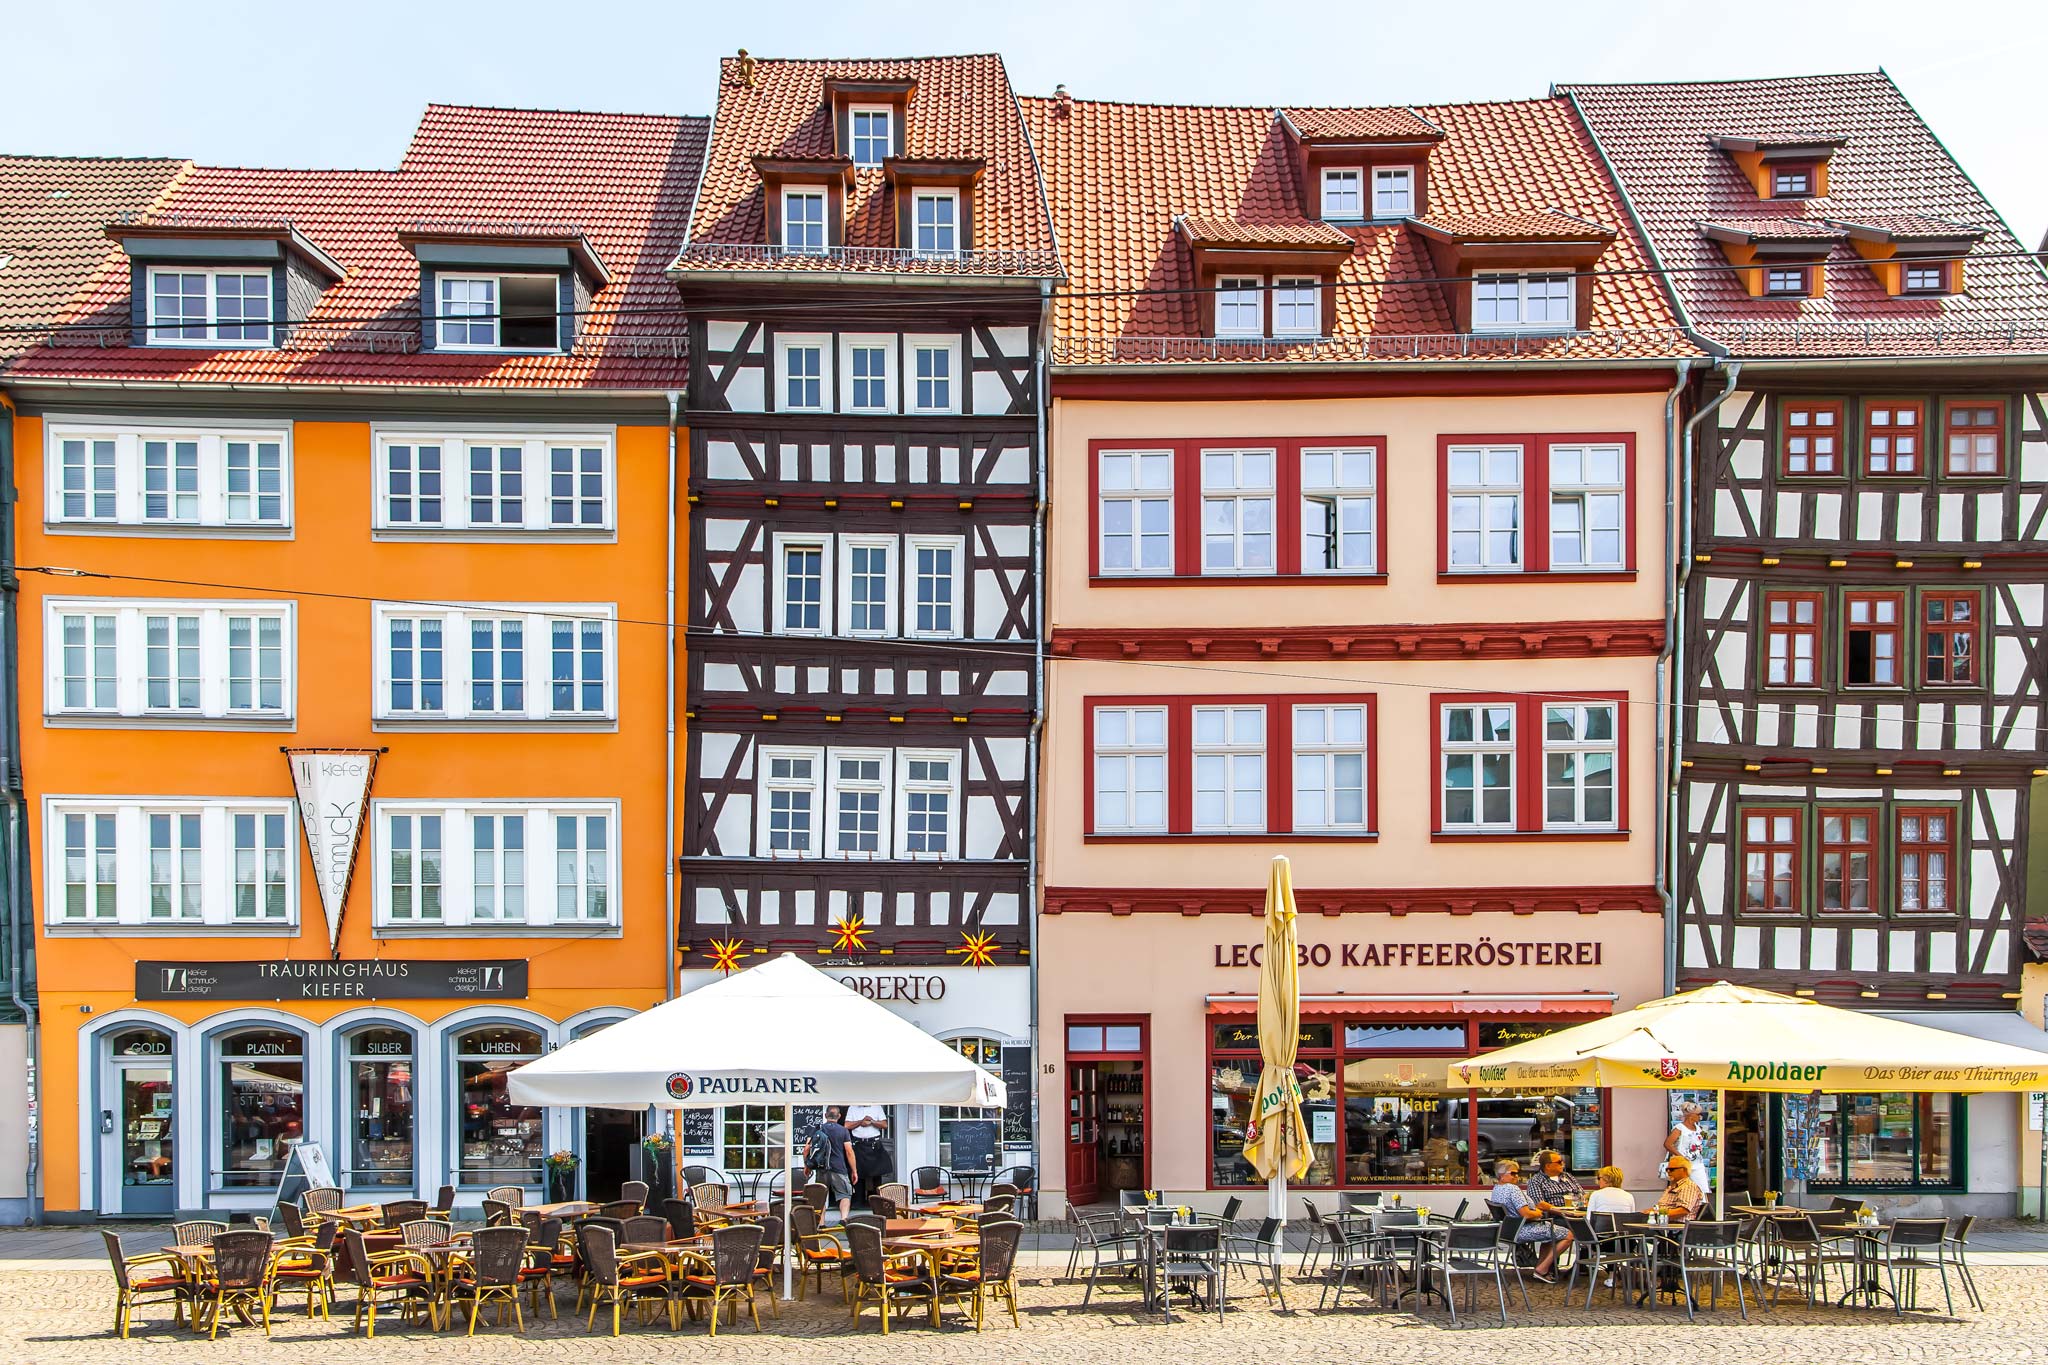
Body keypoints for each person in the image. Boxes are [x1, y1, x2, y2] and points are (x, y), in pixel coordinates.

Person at [1487, 1159, 1572, 1283]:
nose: (1517, 1176)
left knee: (1550, 1232)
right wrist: (1538, 1212)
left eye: (1517, 1173)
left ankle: (1542, 1266)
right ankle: (1541, 1269)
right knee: (1569, 1235)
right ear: (1501, 1175)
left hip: (1508, 1231)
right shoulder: (1512, 1189)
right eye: (1513, 1174)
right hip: (1522, 1229)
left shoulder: (1497, 1189)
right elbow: (1526, 1214)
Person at [807, 1106, 857, 1223]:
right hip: (839, 1167)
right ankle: (843, 1219)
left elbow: (806, 1148)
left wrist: (807, 1166)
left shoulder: (817, 1129)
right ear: (839, 1116)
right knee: (845, 1194)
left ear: (825, 1115)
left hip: (821, 1168)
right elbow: (849, 1151)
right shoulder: (843, 1130)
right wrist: (854, 1170)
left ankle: (822, 1223)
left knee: (821, 1197)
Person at [845, 1104, 894, 1205]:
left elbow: (885, 1125)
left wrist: (872, 1121)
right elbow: (847, 1125)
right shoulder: (852, 1107)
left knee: (877, 1174)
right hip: (858, 1144)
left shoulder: (877, 1107)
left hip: (874, 1144)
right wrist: (860, 1122)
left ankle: (876, 1202)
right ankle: (858, 1202)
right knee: (857, 1174)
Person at [1664, 1102, 1712, 1196]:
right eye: (1698, 1114)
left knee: (1703, 1190)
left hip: (1697, 1164)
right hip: (1683, 1165)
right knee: (1681, 1191)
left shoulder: (1698, 1128)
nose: (1700, 1117)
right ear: (1691, 1116)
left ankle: (1702, 1209)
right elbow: (1668, 1144)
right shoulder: (1679, 1128)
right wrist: (1681, 1157)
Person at [1657, 1155, 1705, 1219]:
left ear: (1684, 1170)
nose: (1668, 1172)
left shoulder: (1688, 1186)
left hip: (1676, 1225)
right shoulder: (1672, 1187)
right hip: (1664, 1222)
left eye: (1672, 1169)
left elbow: (1683, 1211)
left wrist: (1657, 1213)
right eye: (1667, 1169)